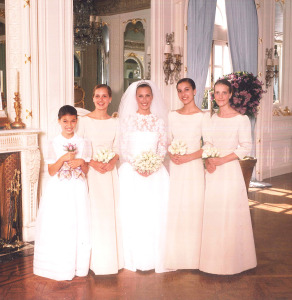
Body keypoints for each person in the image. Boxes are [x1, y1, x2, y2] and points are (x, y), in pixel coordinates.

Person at [199, 79, 257, 275]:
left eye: (224, 92)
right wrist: (208, 160)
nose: (220, 96)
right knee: (214, 213)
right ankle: (212, 263)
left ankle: (234, 262)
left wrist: (221, 160)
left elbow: (245, 147)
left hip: (229, 170)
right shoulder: (210, 119)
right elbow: (207, 142)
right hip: (213, 170)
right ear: (213, 95)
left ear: (231, 94)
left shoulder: (241, 119)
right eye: (217, 92)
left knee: (230, 214)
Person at [34, 105, 91, 281]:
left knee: (77, 223)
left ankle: (78, 266)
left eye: (73, 121)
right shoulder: (54, 142)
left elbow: (86, 169)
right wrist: (63, 159)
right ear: (59, 121)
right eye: (65, 121)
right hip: (60, 190)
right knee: (62, 224)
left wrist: (80, 161)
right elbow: (51, 171)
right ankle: (60, 267)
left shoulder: (83, 142)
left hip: (77, 188)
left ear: (77, 121)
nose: (69, 125)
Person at [118, 80, 169, 273]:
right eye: (140, 96)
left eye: (148, 95)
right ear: (135, 98)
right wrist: (138, 165)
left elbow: (162, 146)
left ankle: (154, 258)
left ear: (152, 97)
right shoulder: (128, 120)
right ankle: (133, 257)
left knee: (153, 214)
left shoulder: (159, 121)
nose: (144, 99)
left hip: (155, 173)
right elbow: (123, 147)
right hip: (132, 173)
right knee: (134, 214)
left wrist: (153, 164)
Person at [77, 84, 123, 275]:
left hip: (109, 173)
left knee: (109, 214)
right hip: (91, 172)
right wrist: (93, 163)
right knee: (94, 214)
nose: (101, 100)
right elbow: (79, 148)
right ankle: (94, 262)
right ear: (93, 98)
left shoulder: (115, 122)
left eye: (104, 96)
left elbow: (119, 147)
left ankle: (110, 260)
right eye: (97, 96)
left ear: (110, 99)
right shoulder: (84, 121)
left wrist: (111, 162)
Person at [164, 78, 205, 270]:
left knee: (194, 207)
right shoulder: (172, 115)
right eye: (179, 91)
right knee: (178, 206)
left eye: (187, 90)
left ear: (195, 91)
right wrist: (172, 154)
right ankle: (177, 255)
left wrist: (189, 157)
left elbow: (209, 146)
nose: (183, 94)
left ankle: (194, 257)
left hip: (194, 167)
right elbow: (167, 141)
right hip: (177, 167)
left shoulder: (204, 116)